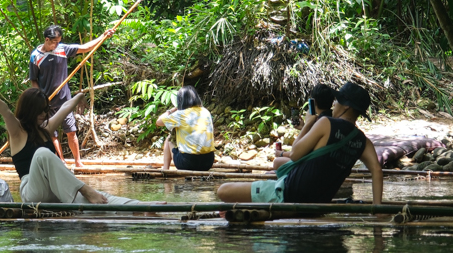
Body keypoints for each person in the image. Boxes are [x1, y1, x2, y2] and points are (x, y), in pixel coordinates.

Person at [217, 82, 382, 205]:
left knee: (223, 191)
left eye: (337, 101)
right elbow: (376, 170)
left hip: (290, 193)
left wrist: (309, 123)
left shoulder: (326, 123)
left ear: (346, 106)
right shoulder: (363, 141)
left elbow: (295, 154)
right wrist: (377, 208)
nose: (334, 104)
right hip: (320, 201)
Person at [0, 88, 137, 205]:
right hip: (32, 191)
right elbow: (6, 112)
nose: (43, 114)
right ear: (29, 110)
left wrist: (79, 96)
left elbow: (66, 107)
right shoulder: (17, 132)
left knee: (101, 198)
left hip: (54, 187)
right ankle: (84, 188)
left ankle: (140, 207)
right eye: (39, 111)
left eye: (45, 110)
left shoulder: (46, 129)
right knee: (41, 153)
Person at [29, 24, 116, 168]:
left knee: (71, 131)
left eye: (59, 41)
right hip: (46, 101)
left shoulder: (62, 49)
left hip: (64, 100)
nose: (57, 44)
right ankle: (61, 161)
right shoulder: (35, 56)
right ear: (47, 40)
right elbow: (34, 80)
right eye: (55, 42)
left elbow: (86, 47)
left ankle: (77, 161)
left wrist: (103, 36)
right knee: (52, 134)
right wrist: (39, 98)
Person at [273, 82, 336, 170]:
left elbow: (296, 153)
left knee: (277, 162)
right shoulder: (333, 119)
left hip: (314, 166)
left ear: (313, 102)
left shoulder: (320, 122)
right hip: (325, 162)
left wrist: (308, 125)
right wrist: (304, 127)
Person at [156, 85, 216, 171]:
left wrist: (172, 110)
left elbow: (158, 122)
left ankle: (165, 169)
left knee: (169, 139)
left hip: (187, 163)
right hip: (208, 162)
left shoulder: (181, 114)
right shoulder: (205, 111)